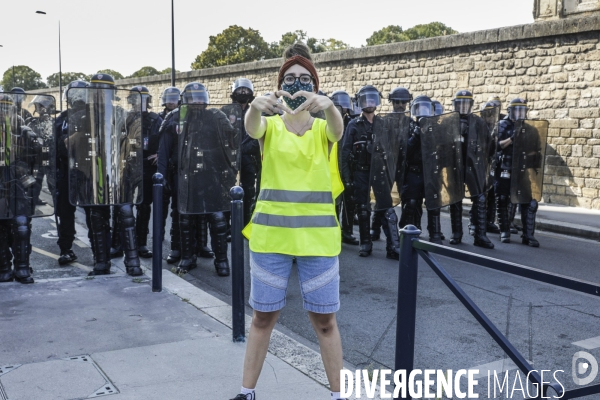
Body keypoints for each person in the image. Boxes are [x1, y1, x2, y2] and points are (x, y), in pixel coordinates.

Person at [230, 42, 345, 400]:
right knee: (262, 319)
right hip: (272, 243)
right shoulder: (270, 126)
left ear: (314, 84)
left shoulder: (323, 127)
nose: (297, 83)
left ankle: (338, 394)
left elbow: (338, 132)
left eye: (304, 78)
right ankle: (247, 392)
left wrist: (331, 106)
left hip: (317, 244)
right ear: (280, 85)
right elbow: (252, 129)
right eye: (290, 78)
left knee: (325, 323)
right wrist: (253, 106)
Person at [69, 73, 143, 276]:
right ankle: (101, 262)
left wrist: (130, 165)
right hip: (92, 173)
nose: (101, 94)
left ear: (112, 94)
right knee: (97, 216)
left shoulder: (122, 114)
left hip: (119, 172)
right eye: (97, 90)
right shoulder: (82, 115)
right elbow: (67, 145)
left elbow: (133, 141)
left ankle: (132, 262)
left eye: (105, 91)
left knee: (126, 214)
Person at [342, 85, 399, 259]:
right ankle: (365, 243)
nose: (370, 102)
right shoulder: (354, 125)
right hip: (361, 171)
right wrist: (346, 178)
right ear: (360, 101)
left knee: (387, 207)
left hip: (379, 171)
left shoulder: (383, 124)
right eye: (366, 99)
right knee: (363, 208)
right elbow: (344, 153)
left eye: (372, 99)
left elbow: (392, 148)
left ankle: (393, 246)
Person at [0, 93, 42, 284]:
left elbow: (37, 160)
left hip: (18, 184)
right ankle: (4, 267)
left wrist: (30, 182)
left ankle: (22, 267)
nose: (3, 113)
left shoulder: (24, 131)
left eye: (6, 108)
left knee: (22, 225)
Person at [448, 90, 494, 248]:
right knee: (455, 199)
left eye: (466, 103)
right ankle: (456, 233)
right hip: (455, 165)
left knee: (480, 199)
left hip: (474, 165)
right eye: (460, 103)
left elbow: (489, 144)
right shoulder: (449, 121)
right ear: (455, 104)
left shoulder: (478, 122)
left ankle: (480, 235)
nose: (463, 107)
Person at [495, 98, 542, 247]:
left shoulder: (530, 129)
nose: (520, 114)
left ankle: (528, 235)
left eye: (522, 111)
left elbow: (537, 150)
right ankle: (504, 231)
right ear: (510, 111)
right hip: (505, 168)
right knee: (503, 199)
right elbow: (497, 146)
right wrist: (512, 138)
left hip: (522, 170)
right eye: (517, 110)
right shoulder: (502, 125)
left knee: (529, 202)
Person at [398, 95, 444, 243]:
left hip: (430, 171)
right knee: (411, 202)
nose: (422, 112)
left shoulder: (436, 127)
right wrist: (416, 135)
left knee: (434, 203)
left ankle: (435, 233)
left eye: (426, 109)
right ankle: (408, 231)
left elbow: (443, 149)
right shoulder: (408, 126)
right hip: (413, 170)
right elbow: (404, 151)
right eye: (419, 109)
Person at [53, 80, 89, 265]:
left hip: (88, 170)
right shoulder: (62, 118)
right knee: (64, 212)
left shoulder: (94, 115)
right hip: (67, 170)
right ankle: (66, 249)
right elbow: (56, 145)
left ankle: (101, 253)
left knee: (95, 212)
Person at [128, 86, 163, 258]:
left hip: (147, 165)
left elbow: (165, 139)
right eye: (135, 99)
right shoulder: (125, 118)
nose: (138, 102)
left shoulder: (155, 119)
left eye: (142, 99)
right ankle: (121, 242)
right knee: (123, 205)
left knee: (144, 206)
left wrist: (159, 153)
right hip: (127, 164)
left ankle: (141, 243)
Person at [157, 86, 184, 263]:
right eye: (169, 98)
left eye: (175, 98)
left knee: (179, 211)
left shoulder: (184, 116)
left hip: (183, 171)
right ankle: (158, 243)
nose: (171, 101)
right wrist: (162, 173)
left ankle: (179, 246)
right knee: (161, 210)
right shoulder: (162, 118)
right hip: (166, 169)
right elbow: (161, 146)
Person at [330, 90, 359, 245]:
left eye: (345, 107)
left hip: (348, 166)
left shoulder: (350, 123)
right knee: (335, 202)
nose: (344, 110)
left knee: (349, 202)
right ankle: (333, 233)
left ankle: (346, 232)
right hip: (333, 166)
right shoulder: (327, 121)